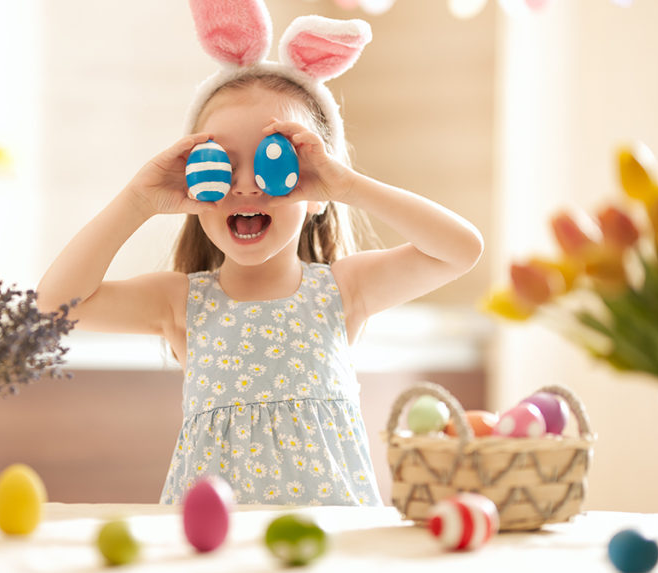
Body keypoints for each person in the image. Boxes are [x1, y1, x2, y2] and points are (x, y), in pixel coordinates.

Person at [36, 0, 483, 506]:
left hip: (327, 544)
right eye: (220, 164)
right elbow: (55, 307)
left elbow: (461, 249)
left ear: (315, 190)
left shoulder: (342, 290)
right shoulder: (180, 302)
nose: (246, 185)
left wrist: (346, 185)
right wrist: (137, 201)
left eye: (275, 163)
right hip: (212, 547)